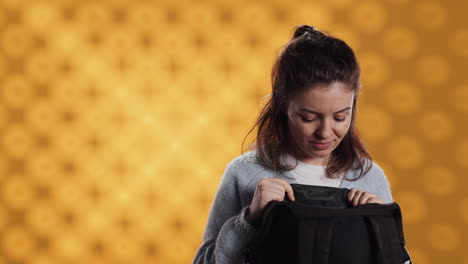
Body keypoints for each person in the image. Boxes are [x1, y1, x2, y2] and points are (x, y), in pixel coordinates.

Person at [193, 24, 395, 264]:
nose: (325, 132)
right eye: (309, 118)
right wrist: (250, 221)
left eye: (341, 117)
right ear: (283, 106)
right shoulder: (244, 174)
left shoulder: (370, 178)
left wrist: (384, 229)